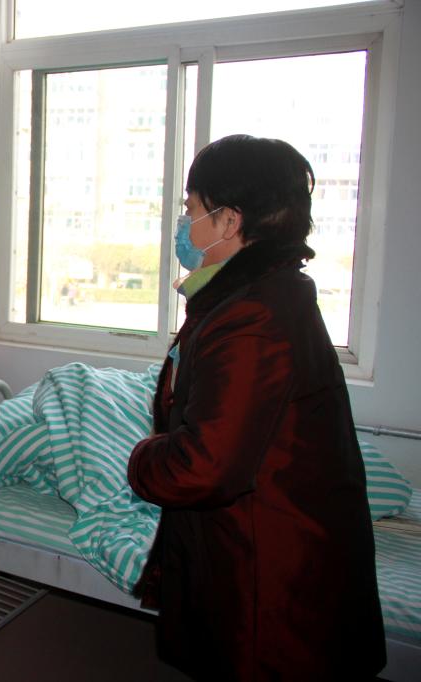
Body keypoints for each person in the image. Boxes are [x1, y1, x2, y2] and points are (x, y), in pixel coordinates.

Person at [127, 134, 385, 680]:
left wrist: (143, 459)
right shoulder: (255, 296)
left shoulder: (253, 317)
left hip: (269, 560)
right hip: (265, 533)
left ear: (229, 221)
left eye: (191, 208)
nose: (184, 223)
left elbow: (205, 466)